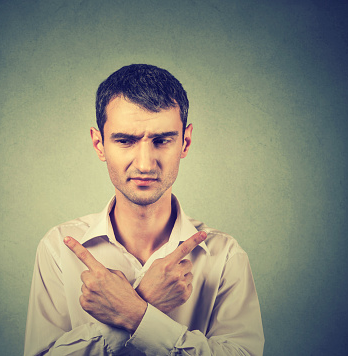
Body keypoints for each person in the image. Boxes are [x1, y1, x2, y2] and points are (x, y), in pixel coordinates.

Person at [24, 64, 264, 356]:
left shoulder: (225, 255)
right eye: (125, 140)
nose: (145, 164)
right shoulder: (58, 249)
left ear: (185, 142)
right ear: (99, 144)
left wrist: (134, 313)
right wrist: (143, 306)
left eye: (162, 140)